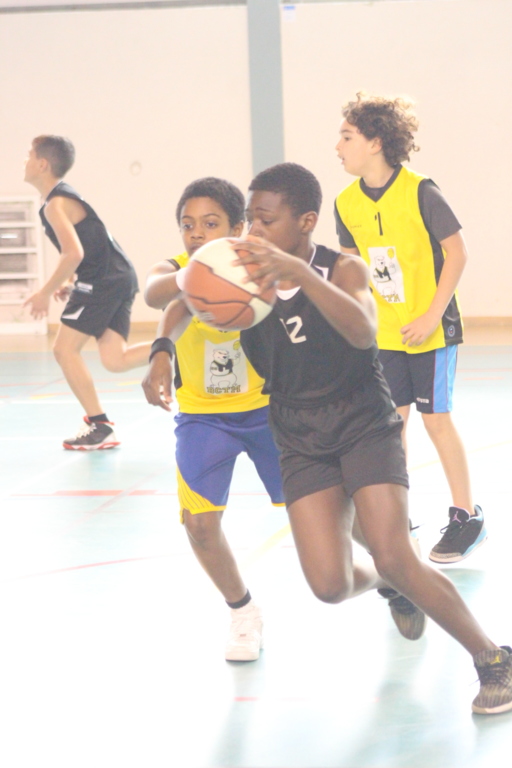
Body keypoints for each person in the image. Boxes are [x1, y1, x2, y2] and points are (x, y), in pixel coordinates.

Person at [234, 162, 511, 715]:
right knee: (329, 585)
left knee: (394, 552)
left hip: (361, 420)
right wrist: (172, 331)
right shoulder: (241, 277)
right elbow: (165, 292)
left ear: (306, 222)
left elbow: (364, 332)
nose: (254, 230)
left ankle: (492, 657)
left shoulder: (345, 269)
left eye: (266, 219)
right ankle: (390, 586)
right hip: (297, 429)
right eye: (250, 219)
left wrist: (299, 273)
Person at [334, 93, 486, 565]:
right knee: (390, 426)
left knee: (436, 420)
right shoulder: (345, 203)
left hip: (432, 330)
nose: (337, 147)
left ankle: (467, 517)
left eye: (346, 137)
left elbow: (457, 253)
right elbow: (354, 271)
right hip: (386, 335)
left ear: (375, 142)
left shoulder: (421, 191)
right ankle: (397, 516)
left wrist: (432, 315)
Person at [142, 177, 285, 662]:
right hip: (204, 418)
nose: (197, 234)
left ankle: (394, 567)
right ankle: (243, 611)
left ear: (237, 227)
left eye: (210, 224)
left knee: (328, 512)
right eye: (188, 226)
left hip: (268, 410)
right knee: (200, 526)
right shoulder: (177, 270)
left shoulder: (258, 265)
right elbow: (156, 293)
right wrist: (162, 348)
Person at [23, 135, 151, 450]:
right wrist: (70, 281)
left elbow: (74, 253)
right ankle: (177, 348)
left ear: (42, 164)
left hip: (104, 280)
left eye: (29, 156)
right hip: (117, 276)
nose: (24, 162)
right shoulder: (58, 200)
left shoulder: (56, 204)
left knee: (64, 350)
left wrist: (44, 292)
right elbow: (84, 247)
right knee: (115, 360)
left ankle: (100, 425)